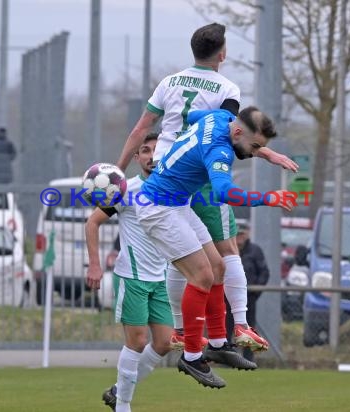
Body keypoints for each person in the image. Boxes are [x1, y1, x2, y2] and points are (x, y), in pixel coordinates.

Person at [116, 22, 298, 357]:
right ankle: (235, 327)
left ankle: (190, 334)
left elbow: (142, 128)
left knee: (189, 262)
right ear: (223, 53)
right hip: (196, 177)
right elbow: (232, 134)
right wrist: (268, 165)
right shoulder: (227, 90)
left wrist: (118, 170)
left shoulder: (169, 82)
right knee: (225, 253)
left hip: (162, 170)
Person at [135, 106, 295, 388]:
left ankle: (219, 343)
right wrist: (267, 198)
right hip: (158, 207)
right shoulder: (220, 150)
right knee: (202, 276)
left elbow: (193, 117)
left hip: (177, 203)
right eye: (255, 146)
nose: (255, 151)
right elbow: (223, 192)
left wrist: (265, 152)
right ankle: (192, 355)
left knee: (219, 266)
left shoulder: (219, 117)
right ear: (237, 132)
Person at [85, 133, 173, 411]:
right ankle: (123, 405)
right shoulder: (125, 190)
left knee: (165, 343)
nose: (150, 156)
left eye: (156, 150)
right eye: (145, 151)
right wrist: (96, 265)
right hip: (133, 277)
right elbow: (92, 223)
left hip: (161, 279)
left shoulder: (174, 190)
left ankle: (117, 391)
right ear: (137, 158)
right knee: (137, 341)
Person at [225, 222, 270, 362]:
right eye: (237, 234)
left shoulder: (255, 251)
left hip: (248, 297)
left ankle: (248, 359)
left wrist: (255, 292)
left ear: (247, 234)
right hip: (227, 296)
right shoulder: (227, 249)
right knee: (227, 327)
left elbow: (264, 272)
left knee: (248, 327)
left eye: (242, 234)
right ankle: (228, 357)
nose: (239, 238)